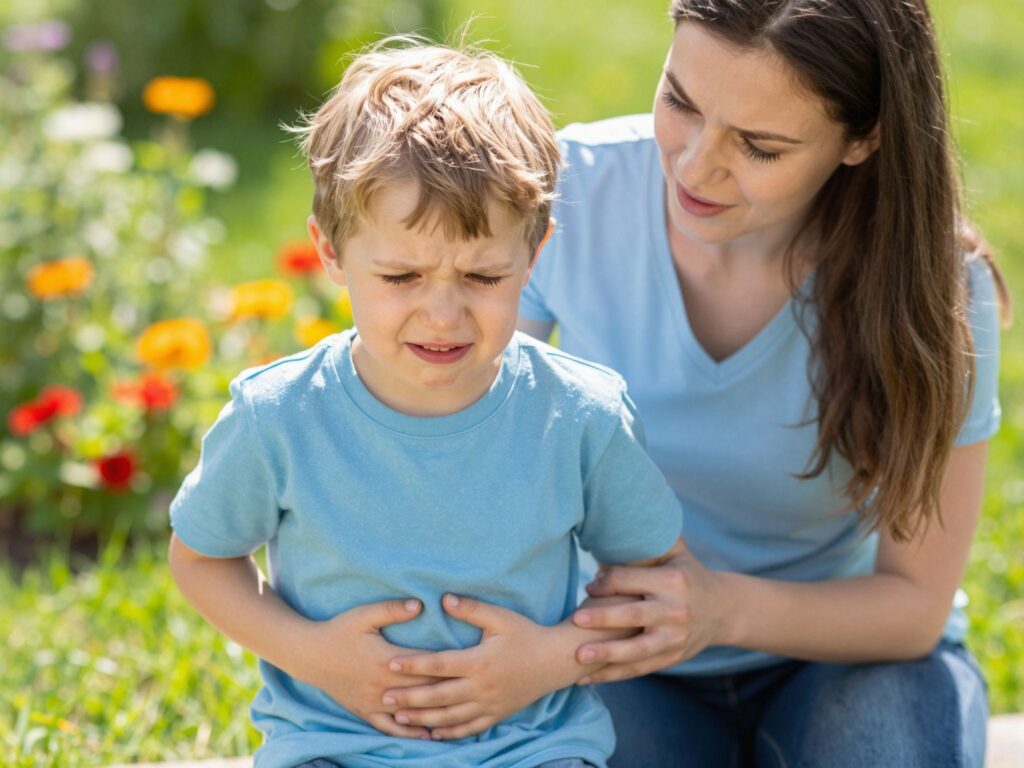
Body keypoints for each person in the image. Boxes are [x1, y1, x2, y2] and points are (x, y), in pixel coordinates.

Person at [378, 2, 1009, 767]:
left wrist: (719, 611)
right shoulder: (564, 195)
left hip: (844, 656)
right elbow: (449, 453)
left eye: (760, 146)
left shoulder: (937, 288)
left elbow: (912, 608)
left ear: (863, 139)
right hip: (612, 652)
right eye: (680, 101)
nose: (694, 165)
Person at [166, 40, 685, 768]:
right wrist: (314, 655)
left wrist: (551, 659)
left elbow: (658, 584)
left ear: (533, 259)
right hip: (334, 747)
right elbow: (201, 559)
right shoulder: (278, 416)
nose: (443, 315)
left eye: (481, 276)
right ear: (331, 252)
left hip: (532, 750)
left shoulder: (579, 417)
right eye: (402, 275)